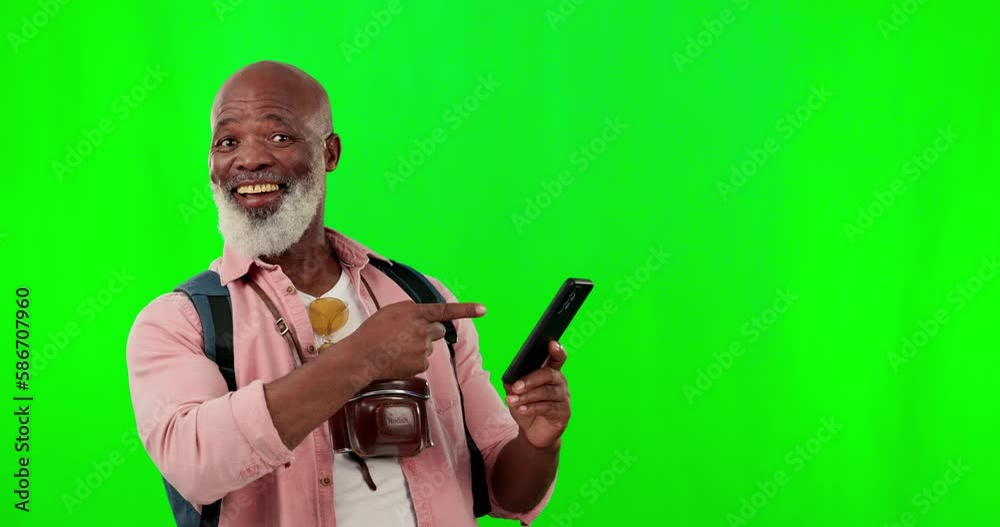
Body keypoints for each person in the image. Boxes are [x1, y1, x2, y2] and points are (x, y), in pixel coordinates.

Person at [126, 61, 571, 526]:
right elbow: (195, 466)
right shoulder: (181, 322)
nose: (249, 159)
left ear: (330, 153)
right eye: (227, 142)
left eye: (279, 136)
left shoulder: (419, 297)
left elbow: (506, 491)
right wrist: (364, 356)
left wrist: (538, 443)